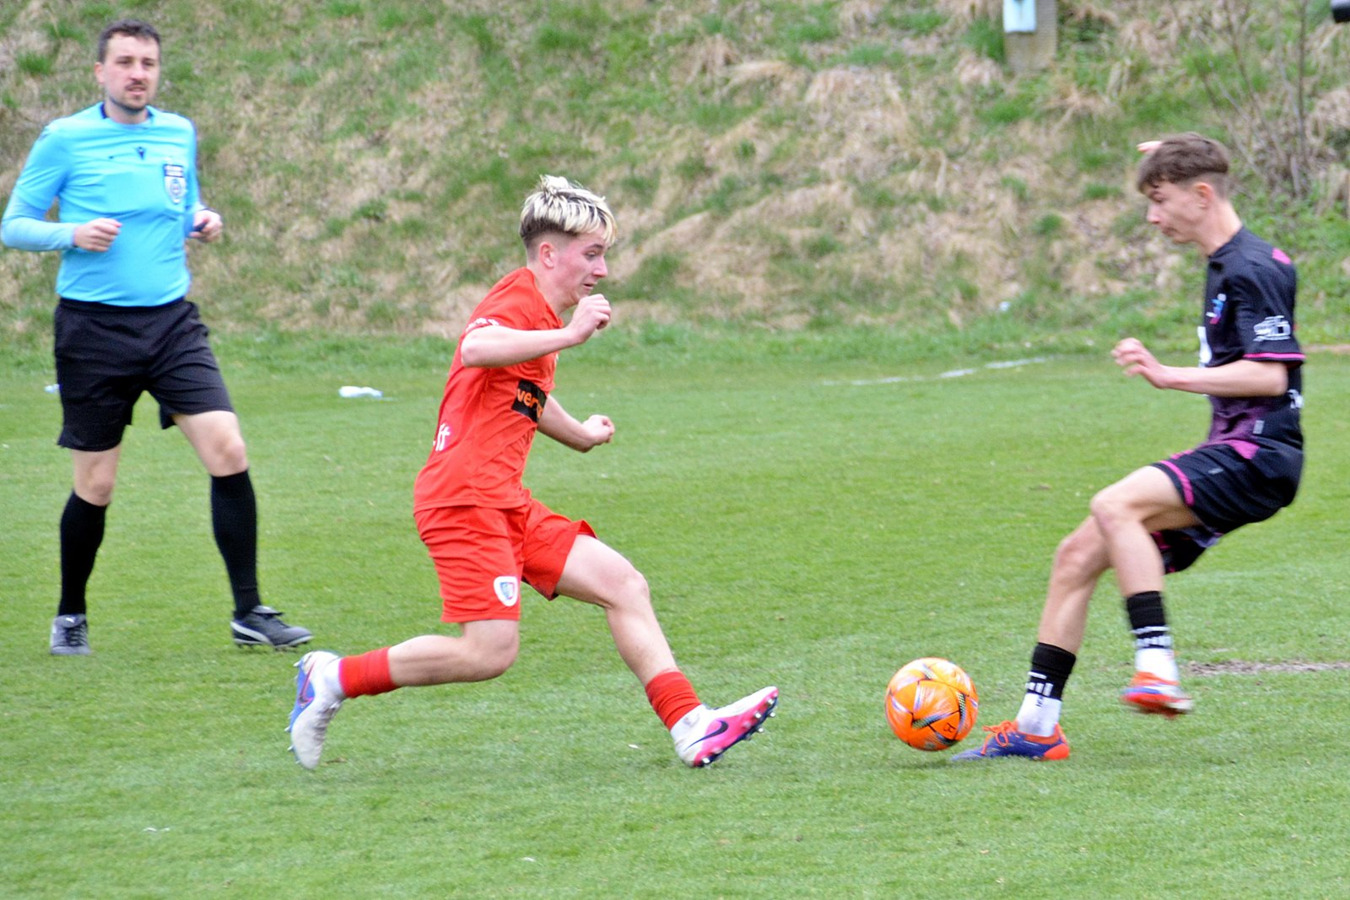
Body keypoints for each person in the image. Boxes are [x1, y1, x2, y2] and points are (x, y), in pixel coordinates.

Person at [285, 175, 778, 769]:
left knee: (622, 584)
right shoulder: (519, 299)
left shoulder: (538, 317)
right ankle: (332, 677)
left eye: (603, 255)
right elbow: (475, 347)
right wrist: (570, 334)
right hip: (464, 500)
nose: (600, 270)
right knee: (489, 652)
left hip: (505, 501)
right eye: (590, 254)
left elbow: (523, 396)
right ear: (548, 254)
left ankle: (690, 723)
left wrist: (580, 435)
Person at [955, 133, 1304, 761]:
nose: (1152, 216)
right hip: (1235, 448)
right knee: (1076, 555)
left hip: (1258, 454)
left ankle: (1157, 666)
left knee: (1115, 505)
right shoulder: (1228, 261)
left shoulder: (1252, 268)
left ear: (1202, 196)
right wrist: (1183, 147)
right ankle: (1036, 726)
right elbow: (1204, 164)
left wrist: (1168, 375)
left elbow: (1270, 375)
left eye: (1160, 199)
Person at [1, 19, 311, 654]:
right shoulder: (65, 138)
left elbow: (184, 200)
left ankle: (249, 611)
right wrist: (70, 234)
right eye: (124, 62)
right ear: (101, 72)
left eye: (147, 63)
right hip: (93, 330)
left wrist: (203, 218)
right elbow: (15, 224)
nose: (137, 73)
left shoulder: (177, 132)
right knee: (96, 485)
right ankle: (70, 614)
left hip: (172, 324)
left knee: (228, 450)